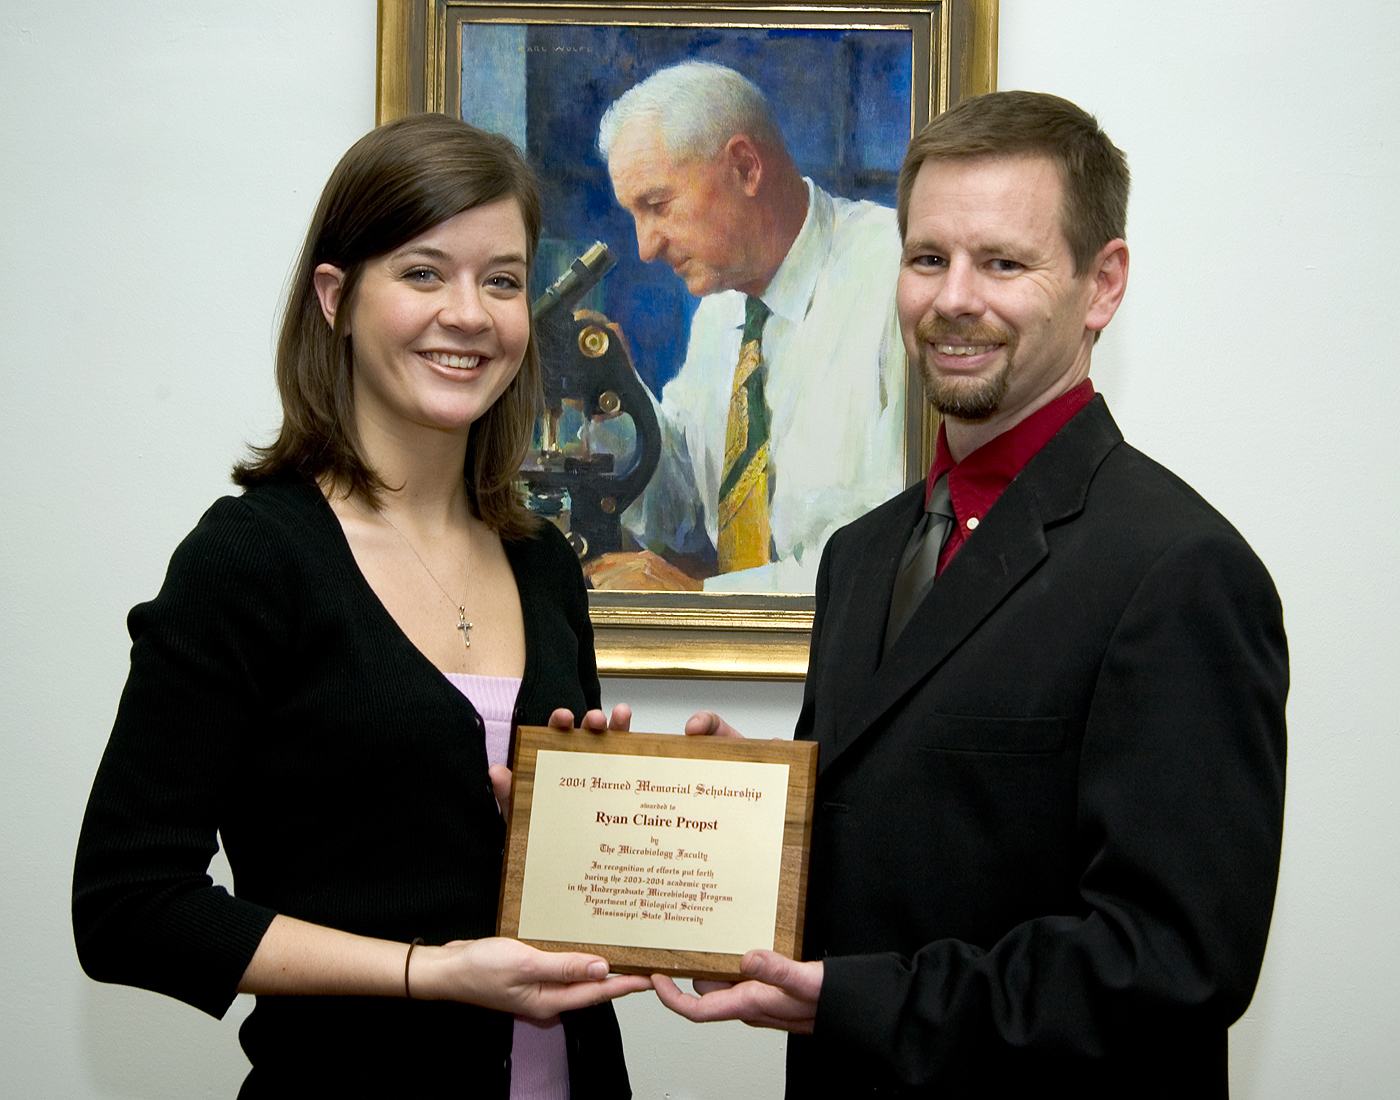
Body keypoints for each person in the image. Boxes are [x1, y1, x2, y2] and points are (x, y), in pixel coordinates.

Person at [651, 91, 1289, 1097]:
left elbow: (1169, 960)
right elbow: (913, 835)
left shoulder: (1177, 570)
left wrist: (850, 1001)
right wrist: (752, 814)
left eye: (1002, 262)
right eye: (926, 258)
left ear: (1100, 283)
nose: (953, 298)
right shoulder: (863, 553)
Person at [72, 114, 650, 1098]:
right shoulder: (251, 558)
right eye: (423, 273)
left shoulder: (545, 560)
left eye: (501, 280)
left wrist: (607, 813)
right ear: (337, 298)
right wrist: (427, 971)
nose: (468, 314)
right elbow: (128, 904)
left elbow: (499, 867)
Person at [588, 61, 907, 593]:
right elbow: (678, 512)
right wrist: (616, 398)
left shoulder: (895, 281)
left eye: (657, 205)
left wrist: (702, 599)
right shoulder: (722, 311)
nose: (645, 247)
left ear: (745, 167)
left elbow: (891, 559)